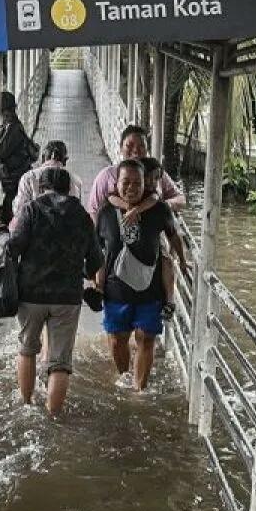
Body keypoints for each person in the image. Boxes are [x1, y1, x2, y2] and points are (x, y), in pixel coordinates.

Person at [0, 167, 103, 413]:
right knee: (60, 362)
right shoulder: (81, 215)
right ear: (69, 189)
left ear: (40, 187)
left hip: (31, 294)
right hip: (67, 298)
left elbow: (12, 248)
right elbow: (95, 261)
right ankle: (53, 414)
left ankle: (27, 405)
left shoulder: (32, 209)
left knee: (27, 349)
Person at [95, 159, 179, 391]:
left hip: (150, 290)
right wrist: (96, 283)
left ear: (145, 184)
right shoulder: (106, 211)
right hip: (116, 290)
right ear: (116, 183)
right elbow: (97, 249)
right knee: (117, 339)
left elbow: (173, 235)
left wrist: (181, 260)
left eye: (137, 183)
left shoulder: (159, 209)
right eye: (126, 182)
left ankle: (138, 390)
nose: (131, 187)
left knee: (146, 337)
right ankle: (124, 377)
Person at [103, 157, 188, 320]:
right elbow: (111, 197)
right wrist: (128, 207)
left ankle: (170, 300)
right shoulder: (113, 202)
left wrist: (135, 210)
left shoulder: (155, 201)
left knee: (166, 260)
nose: (153, 183)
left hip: (147, 270)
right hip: (119, 287)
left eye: (157, 179)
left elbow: (155, 200)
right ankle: (100, 288)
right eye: (150, 178)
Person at [86, 124, 186, 221]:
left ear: (147, 149)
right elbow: (93, 210)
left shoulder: (156, 174)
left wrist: (161, 206)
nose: (136, 150)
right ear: (121, 148)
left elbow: (181, 199)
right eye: (129, 145)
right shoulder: (106, 176)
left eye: (141, 146)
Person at [0, 91, 38, 224]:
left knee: (10, 214)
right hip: (13, 178)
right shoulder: (10, 126)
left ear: (2, 109)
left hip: (15, 179)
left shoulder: (13, 128)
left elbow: (0, 152)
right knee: (9, 212)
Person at [8, 140, 83, 230]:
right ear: (65, 160)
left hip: (34, 232)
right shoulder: (76, 180)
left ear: (43, 158)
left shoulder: (28, 177)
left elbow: (19, 211)